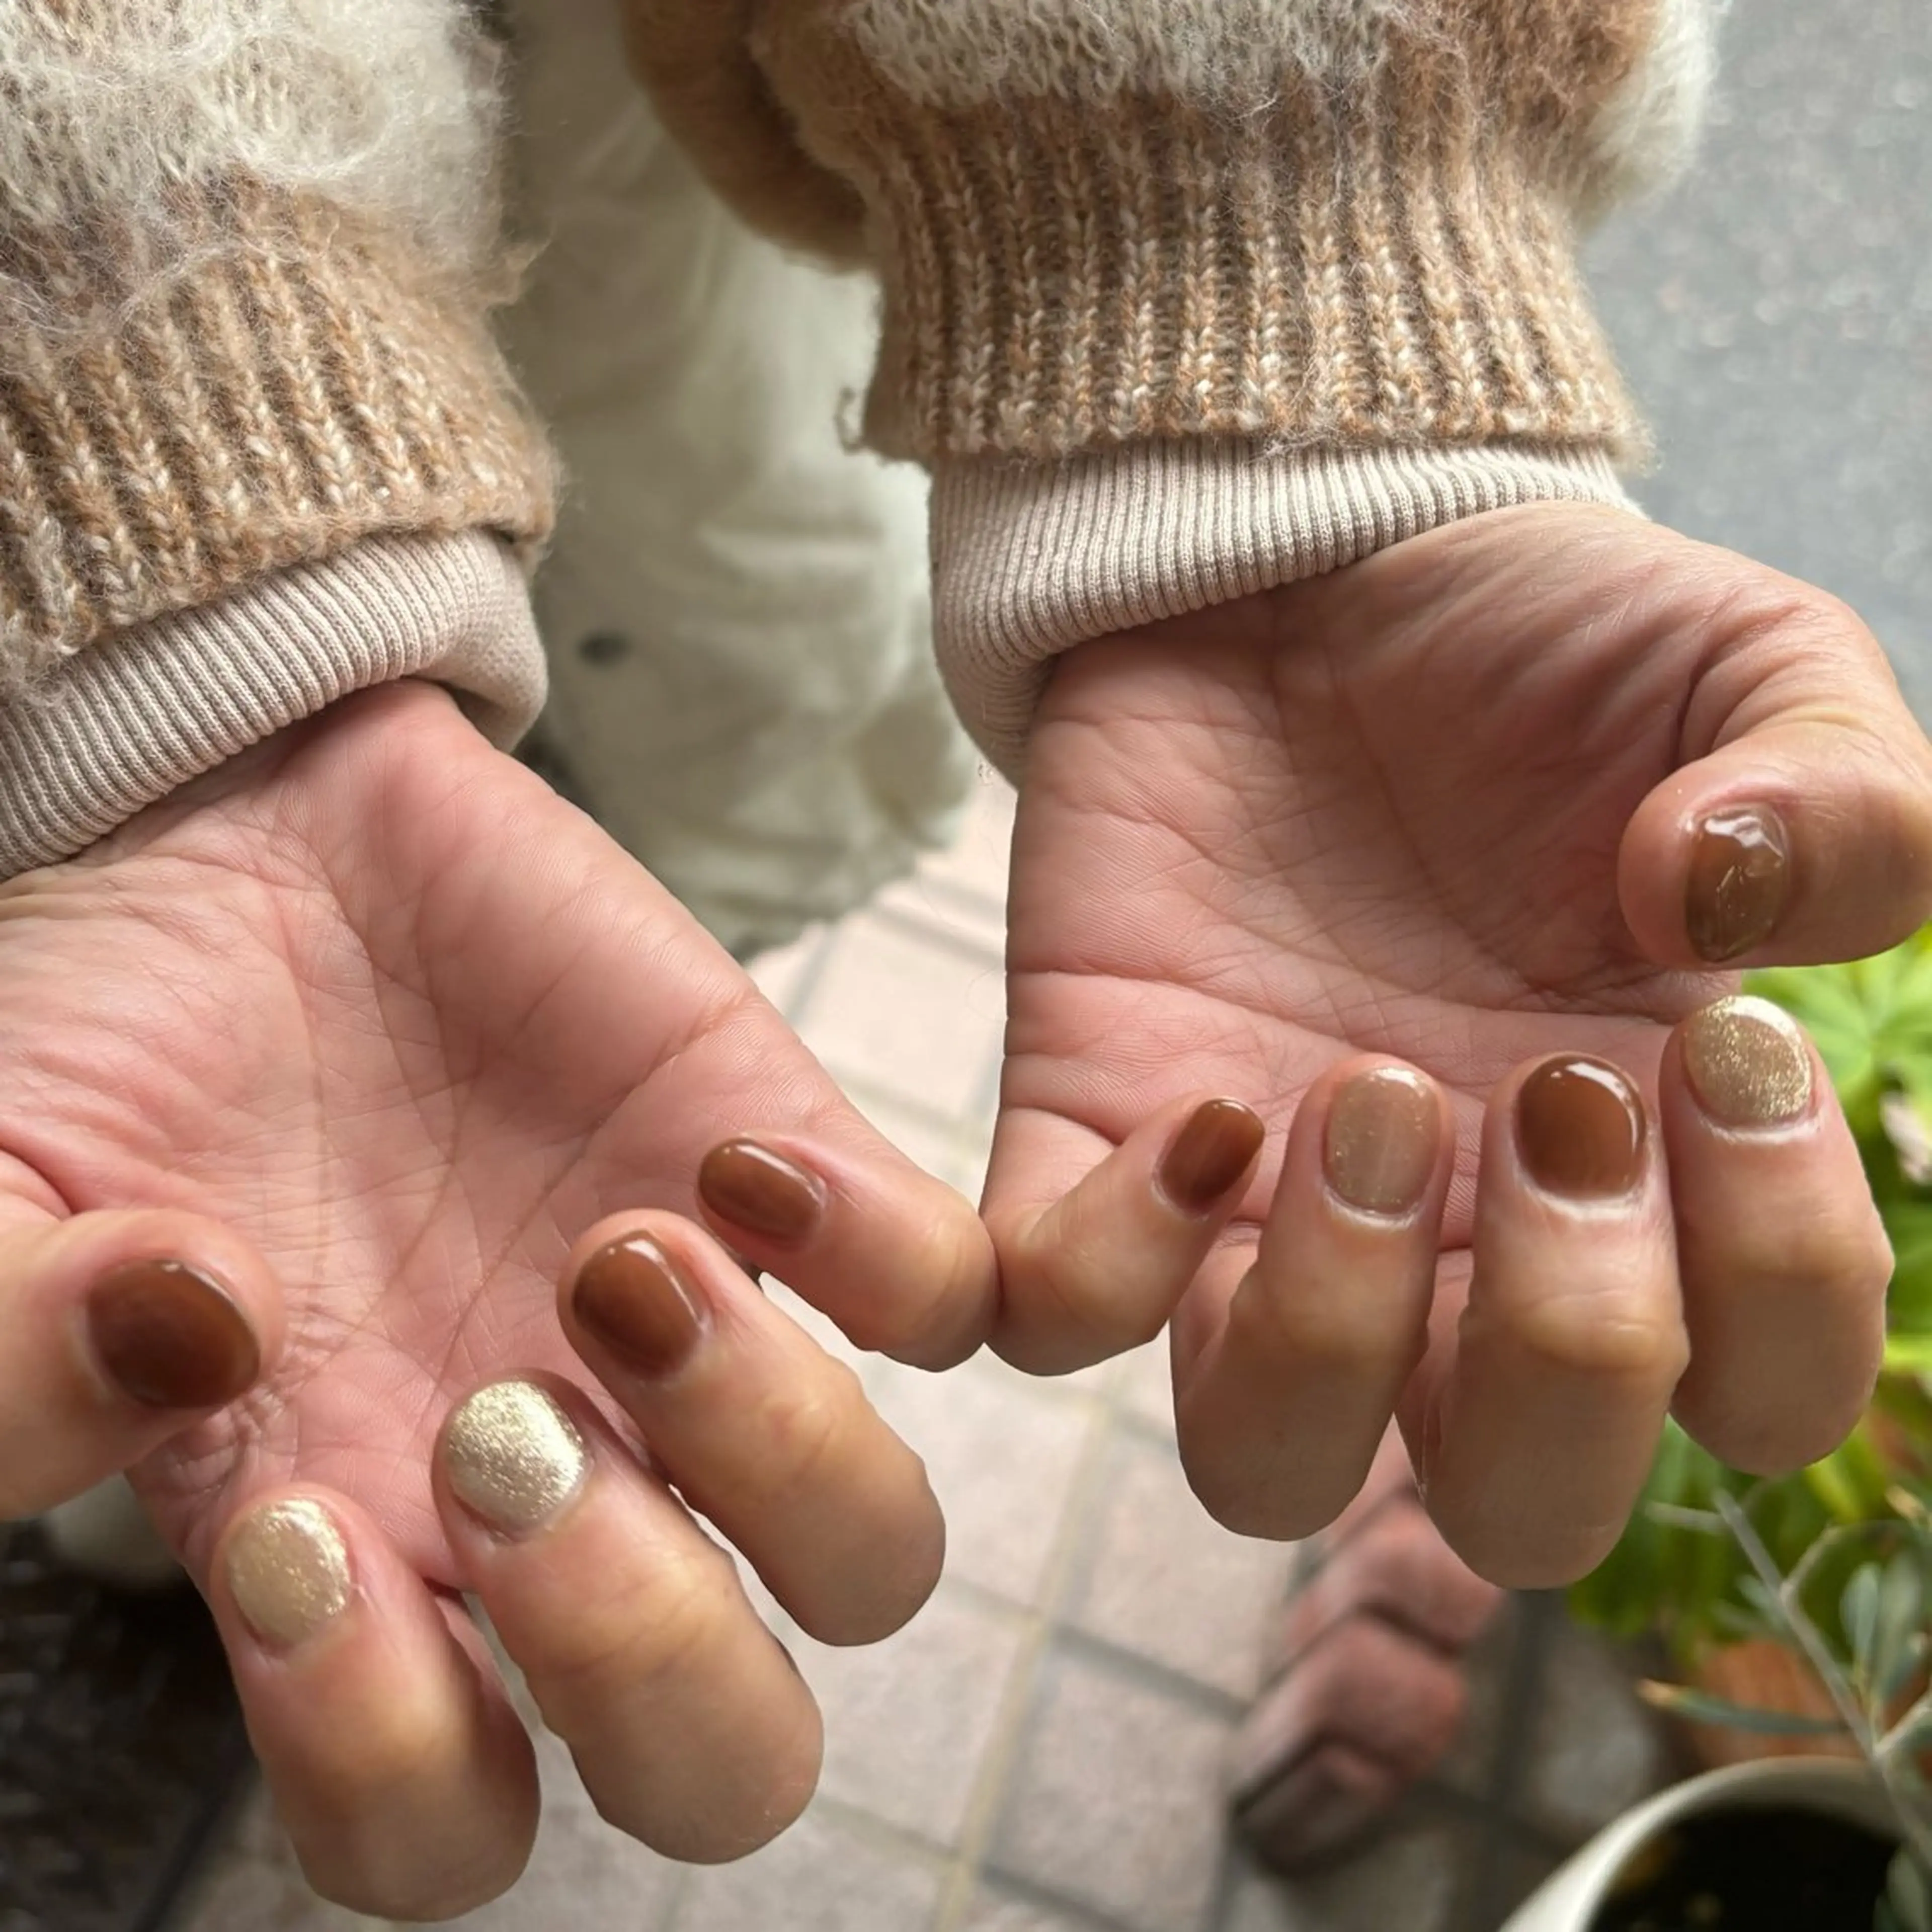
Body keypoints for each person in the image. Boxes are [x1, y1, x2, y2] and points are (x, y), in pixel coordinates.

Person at [2, 0, 1925, 1916]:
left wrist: (1263, 235)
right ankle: (176, 1452)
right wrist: (121, 455)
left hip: (646, 327)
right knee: (281, 1241)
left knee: (628, 900)